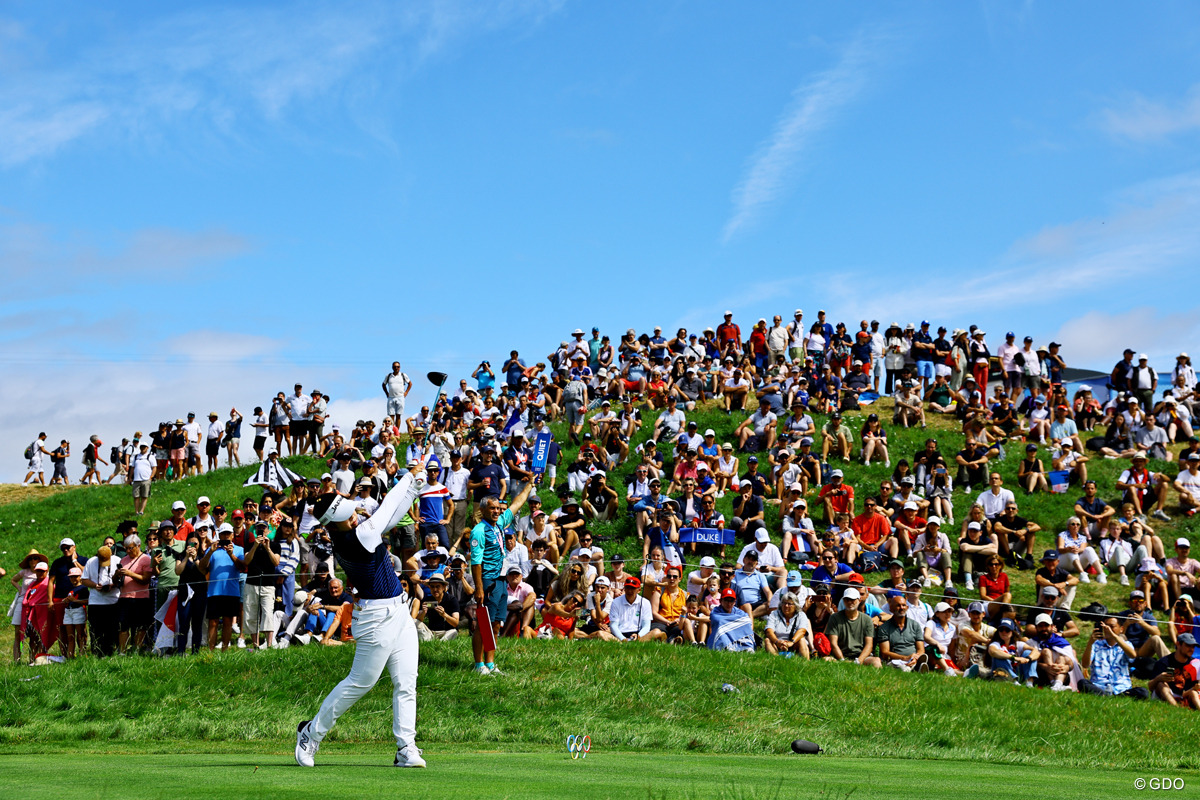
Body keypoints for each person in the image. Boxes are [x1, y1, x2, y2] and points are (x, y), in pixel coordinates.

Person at [297, 470, 428, 768]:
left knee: (406, 681)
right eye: (348, 515)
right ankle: (310, 733)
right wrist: (408, 479)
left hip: (399, 610)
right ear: (334, 524)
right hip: (375, 618)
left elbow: (391, 518)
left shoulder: (355, 531)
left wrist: (414, 489)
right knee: (360, 682)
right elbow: (386, 509)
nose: (354, 516)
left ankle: (405, 747)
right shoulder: (356, 537)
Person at [469, 478, 535, 675]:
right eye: (492, 508)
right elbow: (475, 562)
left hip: (501, 580)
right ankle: (478, 664)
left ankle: (490, 663)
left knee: (496, 623)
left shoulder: (499, 524)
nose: (497, 511)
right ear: (483, 511)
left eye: (498, 508)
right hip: (487, 581)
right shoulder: (479, 531)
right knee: (484, 623)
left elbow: (516, 504)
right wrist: (479, 588)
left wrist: (529, 485)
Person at [1078, 616, 1149, 699]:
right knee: (1082, 683)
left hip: (1122, 689)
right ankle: (1104, 695)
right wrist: (1090, 643)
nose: (1108, 629)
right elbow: (1085, 665)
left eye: (1112, 626)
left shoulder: (1126, 644)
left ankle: (1115, 696)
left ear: (1121, 629)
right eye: (1105, 626)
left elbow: (1133, 655)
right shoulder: (1096, 644)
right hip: (1099, 686)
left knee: (1143, 692)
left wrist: (1115, 636)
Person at [824, 588, 881, 667]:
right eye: (847, 599)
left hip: (861, 655)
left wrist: (859, 661)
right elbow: (833, 643)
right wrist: (842, 660)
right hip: (840, 655)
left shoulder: (867, 619)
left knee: (876, 661)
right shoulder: (835, 618)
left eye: (853, 600)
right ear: (843, 601)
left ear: (859, 600)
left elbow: (869, 645)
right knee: (826, 660)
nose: (849, 602)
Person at [1146, 633, 1199, 708]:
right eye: (1188, 645)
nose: (1191, 649)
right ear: (1178, 644)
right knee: (1161, 684)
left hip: (1185, 695)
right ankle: (1176, 708)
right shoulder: (1164, 662)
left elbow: (1189, 691)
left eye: (1193, 646)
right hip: (1166, 694)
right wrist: (1158, 678)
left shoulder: (1195, 664)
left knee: (1194, 693)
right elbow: (1150, 687)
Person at [764, 593, 810, 657]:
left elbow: (802, 631)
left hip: (794, 644)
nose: (786, 606)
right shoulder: (774, 614)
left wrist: (791, 642)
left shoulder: (801, 615)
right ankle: (775, 659)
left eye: (789, 604)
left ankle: (805, 663)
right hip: (778, 644)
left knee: (802, 640)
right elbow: (769, 631)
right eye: (784, 603)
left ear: (795, 606)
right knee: (767, 640)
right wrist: (777, 642)